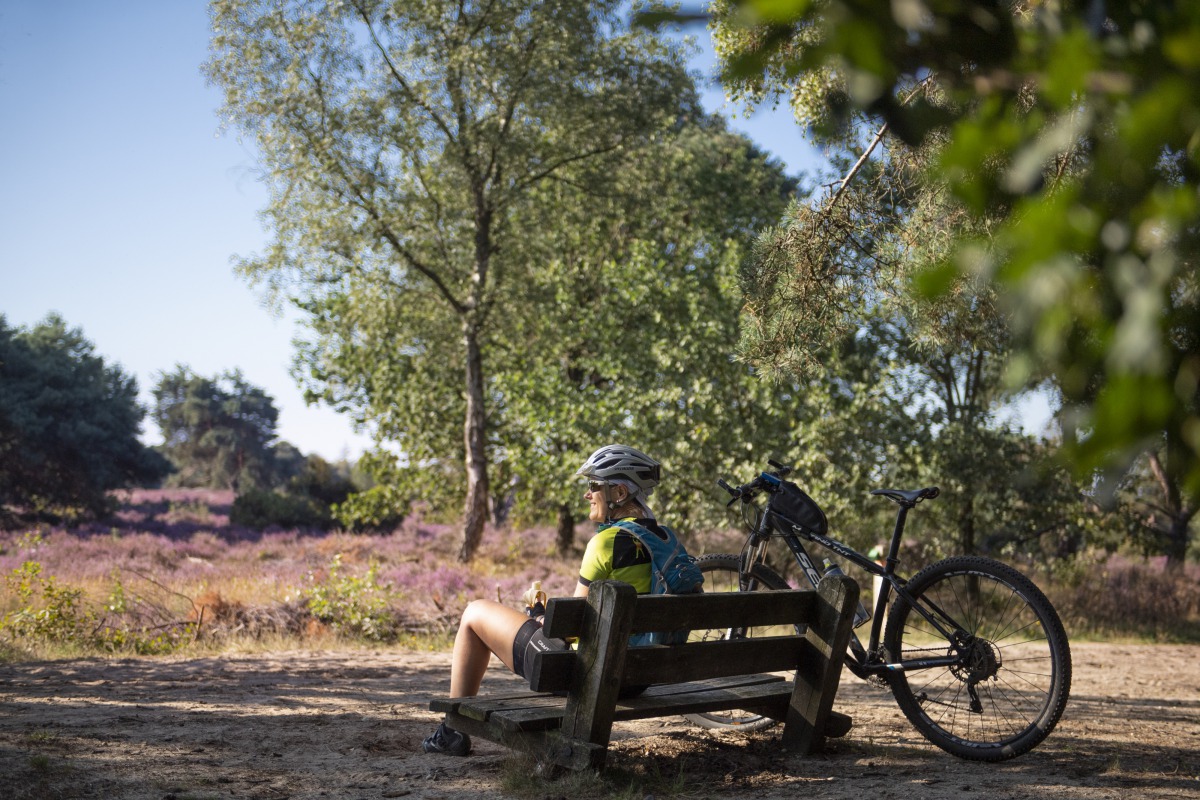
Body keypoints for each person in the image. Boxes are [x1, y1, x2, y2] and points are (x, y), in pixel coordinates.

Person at [422, 444, 670, 756]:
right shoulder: (667, 540)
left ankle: (451, 732)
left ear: (619, 493)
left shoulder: (606, 542)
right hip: (641, 675)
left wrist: (539, 613)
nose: (587, 494)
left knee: (474, 613)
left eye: (594, 485)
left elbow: (571, 630)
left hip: (590, 676)